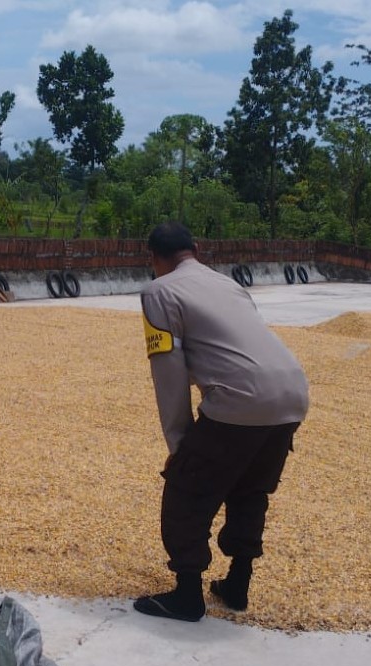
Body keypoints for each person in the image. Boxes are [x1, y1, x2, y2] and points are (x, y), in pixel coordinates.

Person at [134, 221, 310, 622]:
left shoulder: (159, 291)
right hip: (293, 395)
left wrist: (179, 445)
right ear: (196, 248)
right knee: (249, 490)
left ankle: (187, 595)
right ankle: (237, 584)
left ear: (154, 259)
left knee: (185, 493)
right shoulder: (231, 285)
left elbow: (168, 370)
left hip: (241, 399)